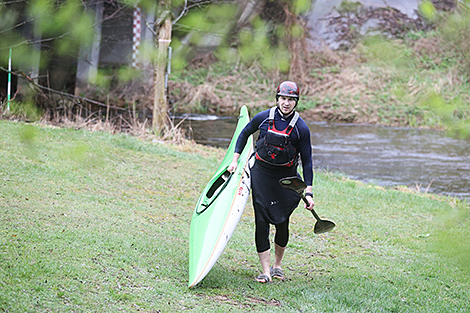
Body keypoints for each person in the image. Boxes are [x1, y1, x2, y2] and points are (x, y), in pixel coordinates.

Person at [227, 81, 315, 283]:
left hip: (286, 180)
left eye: (290, 100)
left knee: (282, 223)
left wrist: (308, 191)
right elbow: (244, 133)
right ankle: (265, 271)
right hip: (261, 175)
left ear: (296, 102)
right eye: (283, 99)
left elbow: (308, 161)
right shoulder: (263, 118)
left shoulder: (301, 128)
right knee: (261, 221)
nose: (286, 103)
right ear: (277, 99)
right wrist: (235, 160)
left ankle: (278, 266)